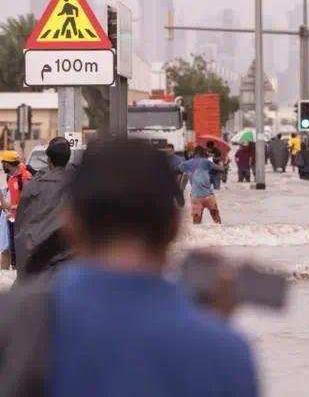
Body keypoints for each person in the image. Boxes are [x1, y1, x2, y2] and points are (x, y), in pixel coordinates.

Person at [0, 138, 259, 397]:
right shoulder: (226, 352)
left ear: (71, 222)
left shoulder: (13, 320)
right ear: (174, 228)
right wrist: (211, 330)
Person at [14, 137, 72, 281]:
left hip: (39, 263)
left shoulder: (32, 187)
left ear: (49, 160)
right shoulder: (78, 186)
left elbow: (20, 229)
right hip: (69, 265)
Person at [0, 151, 32, 269]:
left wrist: (12, 207)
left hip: (23, 220)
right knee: (13, 252)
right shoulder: (10, 178)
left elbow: (30, 202)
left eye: (3, 164)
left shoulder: (25, 177)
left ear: (8, 164)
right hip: (12, 219)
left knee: (21, 252)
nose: (2, 167)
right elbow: (10, 200)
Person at [179, 146, 224, 224]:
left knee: (196, 221)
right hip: (208, 195)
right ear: (203, 153)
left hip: (195, 197)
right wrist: (221, 162)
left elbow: (179, 170)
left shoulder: (187, 163)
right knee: (217, 219)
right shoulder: (206, 162)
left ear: (194, 153)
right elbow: (220, 169)